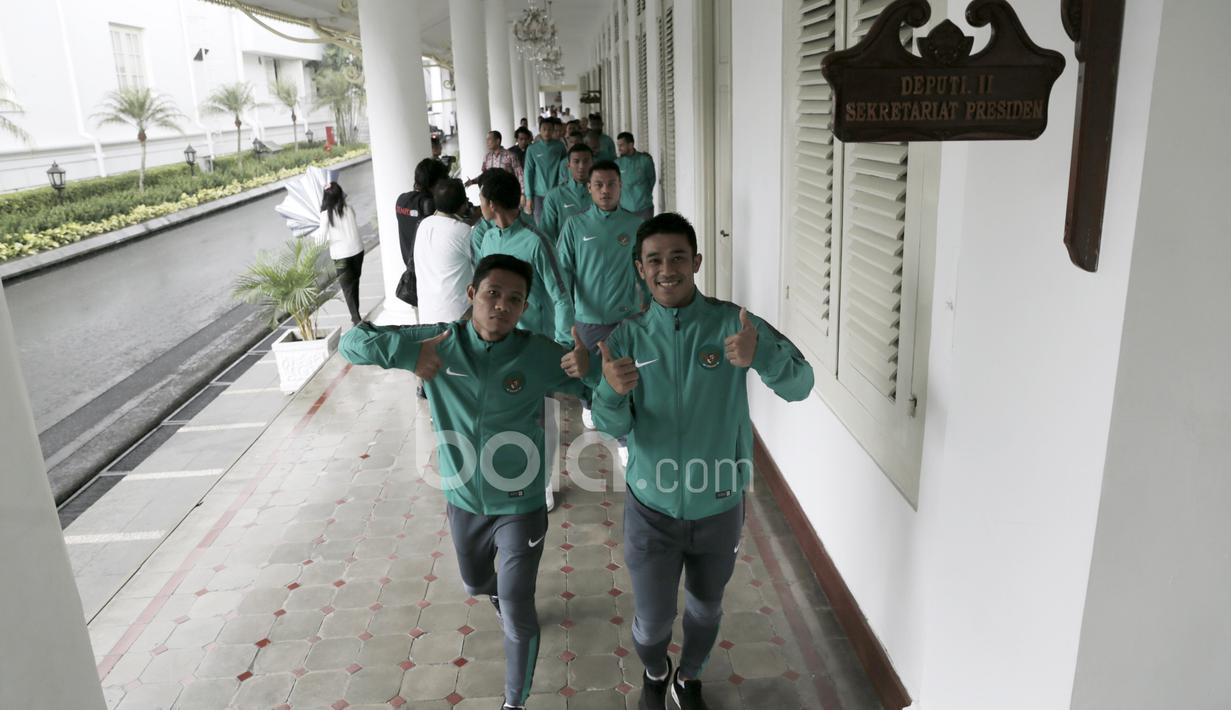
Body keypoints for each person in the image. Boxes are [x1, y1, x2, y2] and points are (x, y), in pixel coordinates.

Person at [339, 254, 596, 710]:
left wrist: (588, 366)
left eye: (514, 299)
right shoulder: (437, 341)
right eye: (493, 293)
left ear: (523, 308)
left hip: (520, 503)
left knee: (519, 611)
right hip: (462, 499)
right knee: (475, 583)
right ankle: (492, 590)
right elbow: (353, 342)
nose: (502, 305)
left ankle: (513, 702)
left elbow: (597, 391)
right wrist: (407, 353)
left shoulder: (537, 352)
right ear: (472, 295)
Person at [591, 213, 815, 710]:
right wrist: (609, 390)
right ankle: (655, 671)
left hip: (719, 503)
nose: (666, 269)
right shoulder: (625, 338)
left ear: (696, 262)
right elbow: (611, 425)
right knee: (651, 623)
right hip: (652, 507)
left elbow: (801, 384)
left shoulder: (732, 323)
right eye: (654, 260)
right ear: (640, 269)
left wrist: (762, 356)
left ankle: (688, 678)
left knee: (707, 609)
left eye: (677, 258)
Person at [475, 170, 569, 341]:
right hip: (500, 338)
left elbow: (562, 297)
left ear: (492, 204)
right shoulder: (488, 239)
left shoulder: (537, 242)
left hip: (534, 340)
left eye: (480, 199)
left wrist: (564, 342)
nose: (478, 204)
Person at [413, 178, 473, 325]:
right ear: (464, 203)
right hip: (458, 316)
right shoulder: (464, 232)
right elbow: (485, 265)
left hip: (428, 314)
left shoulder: (424, 225)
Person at [395, 158, 450, 307]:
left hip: (412, 272)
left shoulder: (401, 200)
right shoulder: (429, 204)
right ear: (435, 183)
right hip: (432, 276)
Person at [314, 180, 366, 324]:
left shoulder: (325, 215)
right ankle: (356, 316)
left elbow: (320, 241)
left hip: (342, 256)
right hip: (358, 251)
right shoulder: (349, 209)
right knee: (354, 284)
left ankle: (356, 320)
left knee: (348, 289)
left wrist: (318, 228)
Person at [540, 143, 595, 244]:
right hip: (564, 255)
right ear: (568, 165)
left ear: (593, 164)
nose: (581, 166)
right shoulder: (554, 196)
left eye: (586, 161)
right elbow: (547, 235)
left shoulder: (602, 194)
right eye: (576, 161)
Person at [523, 117, 567, 225]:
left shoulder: (560, 146)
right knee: (540, 223)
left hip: (556, 192)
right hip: (538, 194)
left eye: (550, 129)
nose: (547, 132)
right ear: (539, 130)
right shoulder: (532, 149)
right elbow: (528, 172)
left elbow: (565, 168)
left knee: (557, 222)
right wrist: (529, 197)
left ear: (553, 130)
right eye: (544, 129)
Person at [616, 132, 657, 220]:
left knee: (645, 233)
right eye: (618, 145)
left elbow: (652, 180)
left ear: (631, 145)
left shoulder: (645, 160)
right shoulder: (617, 163)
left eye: (621, 145)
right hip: (625, 209)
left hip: (644, 208)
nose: (619, 149)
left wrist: (643, 194)